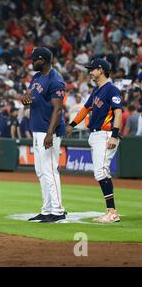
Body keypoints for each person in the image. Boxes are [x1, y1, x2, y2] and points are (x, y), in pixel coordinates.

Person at [66, 59, 122, 223]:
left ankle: (112, 212)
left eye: (92, 69)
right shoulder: (97, 91)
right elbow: (85, 110)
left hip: (106, 134)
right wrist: (72, 125)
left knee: (101, 172)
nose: (90, 72)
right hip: (96, 135)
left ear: (101, 70)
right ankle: (110, 210)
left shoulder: (112, 89)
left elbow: (118, 113)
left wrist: (114, 134)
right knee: (100, 171)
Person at [22, 47, 67, 223]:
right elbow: (31, 99)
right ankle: (47, 209)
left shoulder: (55, 80)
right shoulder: (36, 77)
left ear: (43, 60)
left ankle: (58, 210)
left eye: (34, 60)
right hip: (37, 127)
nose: (31, 62)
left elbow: (58, 109)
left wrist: (50, 133)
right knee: (41, 171)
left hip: (49, 130)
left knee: (50, 170)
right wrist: (24, 100)